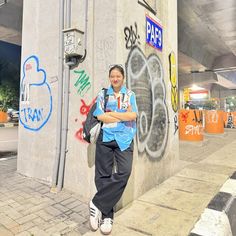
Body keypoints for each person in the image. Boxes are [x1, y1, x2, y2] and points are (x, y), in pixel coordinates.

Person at [89, 64, 138, 235]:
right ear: (110, 78)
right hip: (106, 138)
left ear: (123, 77)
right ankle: (107, 216)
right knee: (103, 175)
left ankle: (96, 202)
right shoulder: (103, 94)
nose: (115, 79)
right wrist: (121, 114)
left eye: (118, 76)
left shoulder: (130, 95)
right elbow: (100, 116)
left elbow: (133, 115)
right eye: (112, 76)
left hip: (124, 139)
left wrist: (113, 114)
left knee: (124, 172)